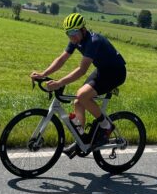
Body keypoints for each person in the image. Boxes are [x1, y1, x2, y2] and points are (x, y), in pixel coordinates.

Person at [30, 12, 126, 159]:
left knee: (82, 95)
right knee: (78, 101)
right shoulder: (76, 40)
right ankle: (81, 139)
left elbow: (82, 70)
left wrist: (59, 83)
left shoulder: (94, 41)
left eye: (74, 32)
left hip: (116, 72)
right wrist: (43, 74)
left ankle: (107, 127)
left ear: (83, 29)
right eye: (68, 33)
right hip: (102, 70)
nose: (71, 36)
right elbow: (61, 59)